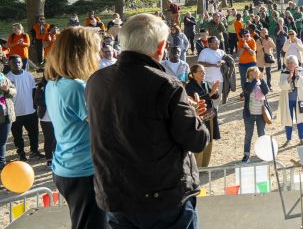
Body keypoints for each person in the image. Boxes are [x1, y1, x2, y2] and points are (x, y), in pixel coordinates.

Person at [86, 14, 210, 228]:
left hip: (115, 195)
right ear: (161, 47)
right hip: (162, 200)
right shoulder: (166, 85)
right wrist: (194, 116)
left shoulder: (96, 81)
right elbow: (196, 140)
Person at [44, 27, 107, 228]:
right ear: (82, 53)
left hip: (66, 166)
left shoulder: (54, 84)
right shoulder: (77, 87)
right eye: (95, 50)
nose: (98, 55)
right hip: (83, 172)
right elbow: (105, 126)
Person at [6, 55, 42, 161]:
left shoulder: (29, 75)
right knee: (18, 135)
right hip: (16, 112)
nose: (17, 64)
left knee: (34, 133)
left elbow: (33, 91)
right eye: (14, 63)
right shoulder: (7, 78)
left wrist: (35, 105)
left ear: (22, 63)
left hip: (30, 110)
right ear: (9, 64)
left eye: (19, 62)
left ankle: (34, 151)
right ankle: (21, 153)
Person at [186, 64, 220, 167]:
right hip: (199, 117)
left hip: (209, 115)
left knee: (208, 140)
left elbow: (212, 96)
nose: (203, 73)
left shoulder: (204, 84)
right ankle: (197, 167)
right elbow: (196, 101)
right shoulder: (189, 86)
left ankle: (205, 166)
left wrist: (215, 92)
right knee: (200, 140)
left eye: (204, 71)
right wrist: (211, 93)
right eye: (200, 71)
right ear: (194, 74)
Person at [280, 55, 303, 147]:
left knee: (301, 120)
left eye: (291, 63)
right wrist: (289, 78)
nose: (289, 65)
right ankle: (288, 139)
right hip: (287, 100)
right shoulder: (284, 72)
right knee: (288, 120)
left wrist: (297, 75)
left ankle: (301, 139)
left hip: (300, 99)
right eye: (288, 63)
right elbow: (281, 86)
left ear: (296, 63)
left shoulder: (301, 71)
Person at [241, 66, 270, 162]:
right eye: (251, 75)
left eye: (255, 74)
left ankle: (262, 153)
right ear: (248, 75)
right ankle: (246, 154)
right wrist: (255, 80)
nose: (253, 76)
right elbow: (248, 90)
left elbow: (266, 91)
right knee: (248, 135)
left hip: (261, 115)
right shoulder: (246, 84)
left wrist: (261, 80)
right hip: (249, 115)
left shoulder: (261, 83)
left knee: (261, 134)